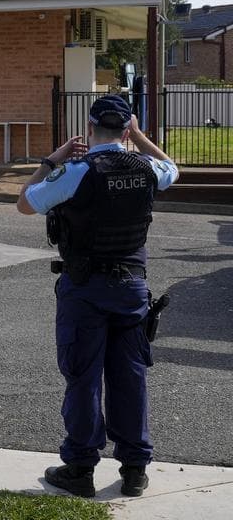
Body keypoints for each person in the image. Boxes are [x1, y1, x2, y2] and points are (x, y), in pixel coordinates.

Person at [18, 94, 179, 498]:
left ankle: (80, 467)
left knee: (83, 377)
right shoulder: (146, 169)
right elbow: (174, 168)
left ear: (90, 129)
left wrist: (52, 159)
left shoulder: (76, 171)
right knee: (130, 377)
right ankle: (135, 469)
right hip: (131, 288)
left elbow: (24, 203)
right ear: (126, 130)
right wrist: (141, 138)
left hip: (85, 288)